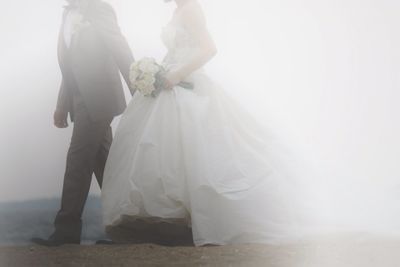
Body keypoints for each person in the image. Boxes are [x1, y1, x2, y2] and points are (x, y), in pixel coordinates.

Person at [101, 0, 314, 246]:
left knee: (193, 149)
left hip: (186, 83)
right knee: (161, 149)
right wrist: (155, 71)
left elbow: (209, 49)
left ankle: (197, 219)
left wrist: (178, 74)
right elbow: (177, 48)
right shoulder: (178, 10)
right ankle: (169, 221)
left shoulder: (191, 8)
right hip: (169, 79)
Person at [32, 0, 134, 246]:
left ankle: (67, 228)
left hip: (99, 96)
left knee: (77, 159)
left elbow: (119, 46)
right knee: (107, 167)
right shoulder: (67, 16)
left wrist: (139, 87)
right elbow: (70, 68)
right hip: (79, 100)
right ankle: (130, 227)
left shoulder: (99, 8)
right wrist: (62, 105)